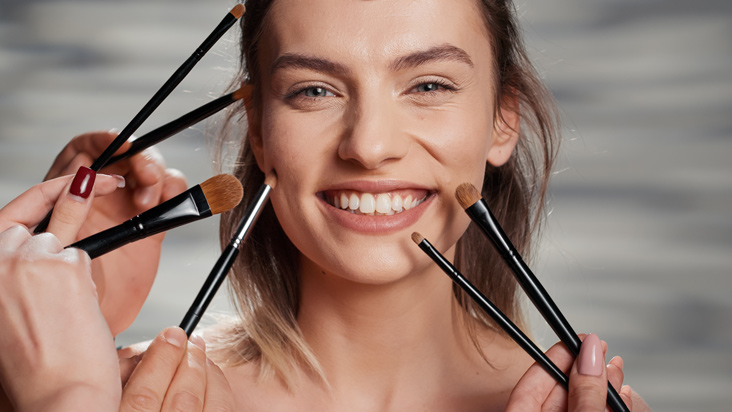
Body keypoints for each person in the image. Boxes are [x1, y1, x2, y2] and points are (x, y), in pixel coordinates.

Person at [0, 0, 651, 410]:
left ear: (503, 120)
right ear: (258, 131)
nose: (369, 146)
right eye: (313, 91)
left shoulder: (582, 405)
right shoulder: (127, 393)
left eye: (427, 84)